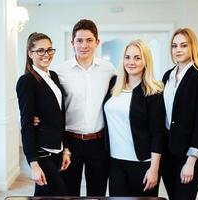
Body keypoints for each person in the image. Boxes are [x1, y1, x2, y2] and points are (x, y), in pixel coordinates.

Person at [56, 19, 115, 196]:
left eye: (89, 40)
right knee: (69, 193)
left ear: (97, 42)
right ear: (72, 42)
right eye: (79, 40)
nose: (84, 45)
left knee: (97, 194)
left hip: (99, 142)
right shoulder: (60, 71)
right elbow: (48, 103)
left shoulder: (109, 70)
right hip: (70, 142)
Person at [103, 39, 166, 197]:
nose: (131, 62)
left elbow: (158, 133)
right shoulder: (113, 84)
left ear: (146, 61)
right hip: (115, 162)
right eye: (127, 57)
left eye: (137, 58)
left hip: (142, 164)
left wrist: (154, 169)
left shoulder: (153, 92)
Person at [160, 28, 198, 200]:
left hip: (188, 153)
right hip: (168, 152)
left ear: (192, 47)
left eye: (183, 45)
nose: (178, 50)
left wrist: (191, 161)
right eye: (174, 46)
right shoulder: (167, 76)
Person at [16, 32, 71, 196]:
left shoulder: (52, 76)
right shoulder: (26, 81)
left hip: (57, 150)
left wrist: (65, 148)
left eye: (49, 50)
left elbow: (60, 115)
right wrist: (33, 164)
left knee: (44, 195)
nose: (46, 55)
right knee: (60, 194)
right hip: (42, 153)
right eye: (40, 51)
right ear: (30, 53)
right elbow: (26, 125)